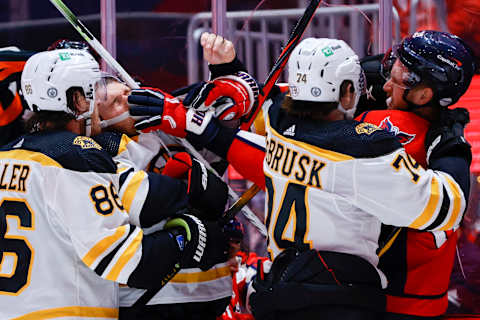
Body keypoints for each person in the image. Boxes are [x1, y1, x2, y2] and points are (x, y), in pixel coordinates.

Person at [132, 37, 471, 320]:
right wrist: (453, 147)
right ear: (348, 91)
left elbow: (266, 124)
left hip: (284, 285)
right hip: (362, 297)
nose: (384, 83)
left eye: (399, 75)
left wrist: (215, 98)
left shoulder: (282, 125)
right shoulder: (372, 145)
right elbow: (446, 206)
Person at [0, 48, 228, 319]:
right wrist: (186, 236)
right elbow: (128, 261)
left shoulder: (6, 155)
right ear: (77, 100)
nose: (98, 101)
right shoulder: (77, 156)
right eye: (92, 91)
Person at [94, 33, 245, 320]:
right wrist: (192, 191)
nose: (130, 100)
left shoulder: (167, 124)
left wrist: (226, 69)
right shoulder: (107, 150)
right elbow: (145, 205)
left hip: (212, 287)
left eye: (127, 91)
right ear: (98, 121)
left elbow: (229, 130)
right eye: (115, 102)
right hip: (149, 297)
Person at [355, 30, 475, 319]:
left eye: (396, 81)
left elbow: (451, 205)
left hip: (408, 304)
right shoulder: (398, 97)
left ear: (423, 94)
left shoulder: (447, 146)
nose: (385, 87)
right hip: (359, 292)